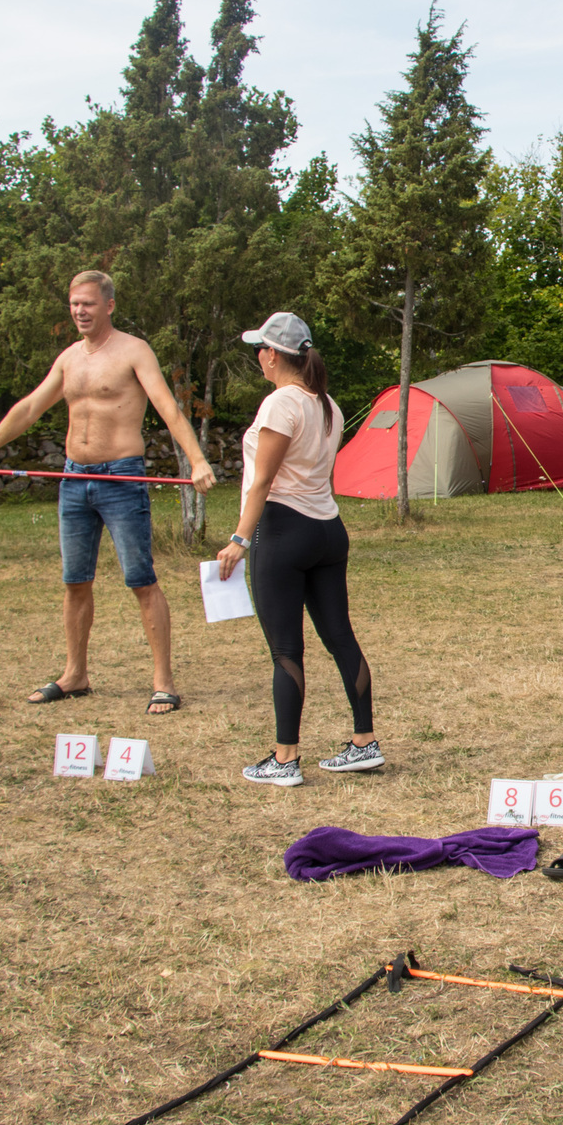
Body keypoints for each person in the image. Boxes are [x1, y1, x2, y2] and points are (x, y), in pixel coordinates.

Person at [0, 270, 216, 714]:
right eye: (75, 303)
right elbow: (29, 408)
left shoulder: (133, 350)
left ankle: (163, 683)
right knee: (75, 581)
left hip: (121, 479)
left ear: (109, 306)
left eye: (88, 303)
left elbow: (167, 407)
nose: (80, 311)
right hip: (74, 479)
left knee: (141, 580)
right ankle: (75, 675)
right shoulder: (68, 359)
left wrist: (198, 460)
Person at [219, 313, 378, 784]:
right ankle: (365, 743)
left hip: (284, 532)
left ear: (272, 355)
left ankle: (285, 759)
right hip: (327, 529)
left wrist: (239, 539)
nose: (257, 357)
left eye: (259, 350)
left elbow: (263, 481)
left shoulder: (279, 404)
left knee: (286, 649)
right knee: (341, 638)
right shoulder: (328, 404)